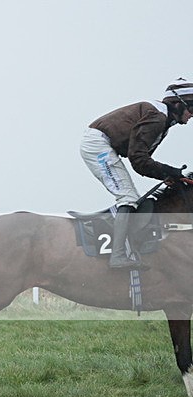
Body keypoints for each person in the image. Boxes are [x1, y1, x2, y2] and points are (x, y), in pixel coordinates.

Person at [80, 78, 193, 269]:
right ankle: (118, 256)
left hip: (103, 145)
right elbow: (139, 160)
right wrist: (170, 172)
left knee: (132, 198)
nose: (192, 115)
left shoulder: (162, 120)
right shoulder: (157, 118)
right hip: (97, 145)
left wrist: (167, 176)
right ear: (176, 104)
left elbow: (143, 162)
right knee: (128, 197)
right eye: (191, 108)